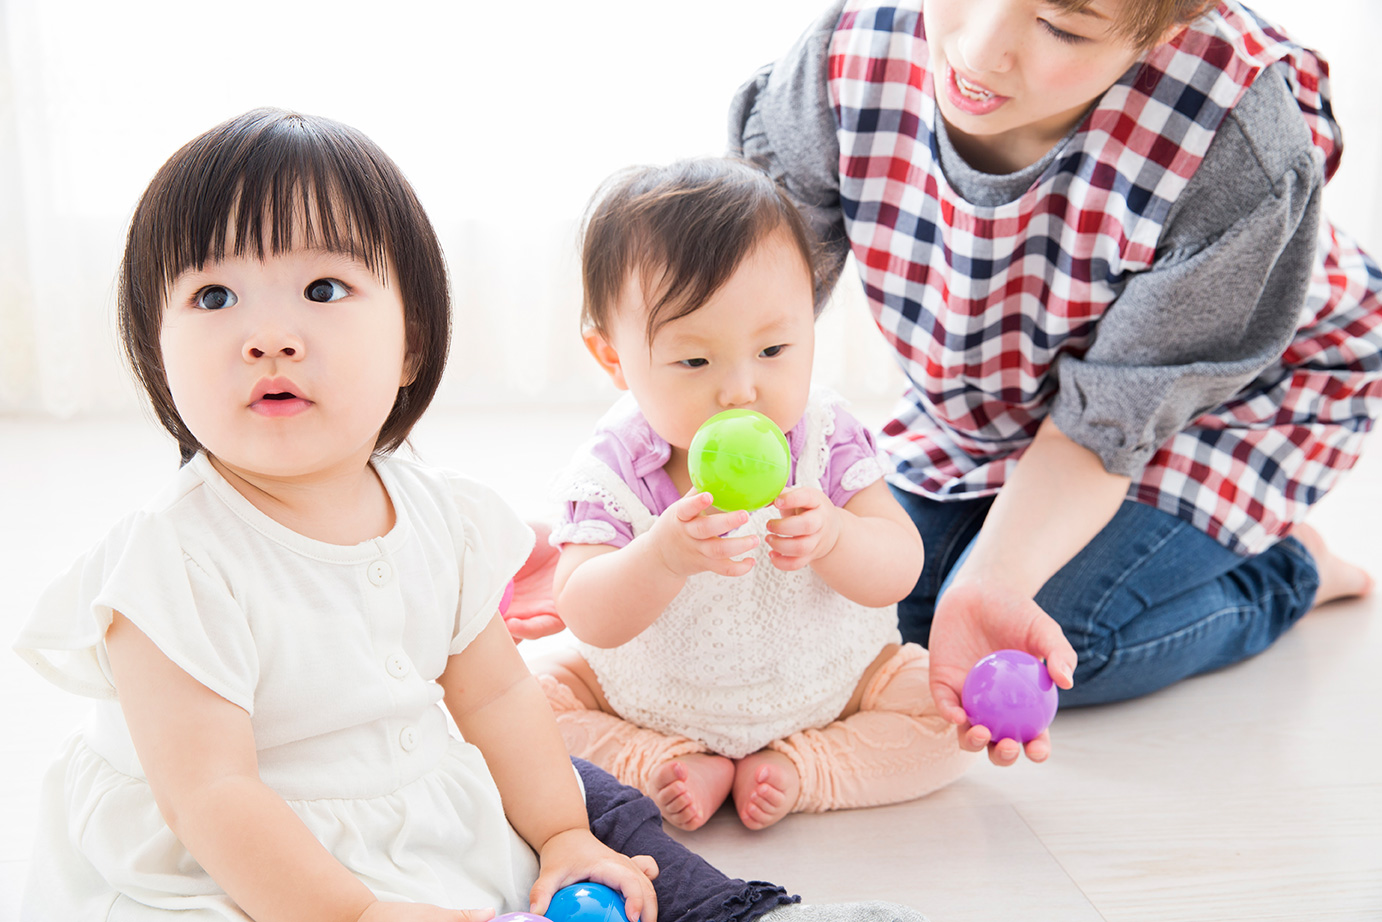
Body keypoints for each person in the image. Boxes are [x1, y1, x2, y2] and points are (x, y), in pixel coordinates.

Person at [11, 109, 926, 922]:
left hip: (411, 805)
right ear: (154, 349)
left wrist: (564, 836)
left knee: (601, 818)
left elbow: (493, 696)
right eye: (213, 297)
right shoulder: (170, 561)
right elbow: (210, 798)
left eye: (323, 291)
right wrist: (356, 913)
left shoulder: (434, 516)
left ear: (412, 342)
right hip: (238, 865)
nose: (270, 335)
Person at [726, 0, 1381, 766]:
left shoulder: (1231, 142)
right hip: (1007, 378)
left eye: (1063, 28)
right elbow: (749, 302)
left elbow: (1109, 421)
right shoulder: (851, 52)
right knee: (885, 610)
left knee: (1063, 639)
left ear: (1177, 21)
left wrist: (996, 577)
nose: (979, 51)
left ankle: (1288, 569)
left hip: (1217, 402)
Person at [533, 158, 972, 834]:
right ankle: (663, 762)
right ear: (613, 358)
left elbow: (898, 567)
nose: (741, 389)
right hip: (649, 699)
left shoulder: (825, 437)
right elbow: (584, 610)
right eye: (695, 361)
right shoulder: (613, 467)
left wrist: (836, 538)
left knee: (951, 710)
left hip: (832, 686)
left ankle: (806, 767)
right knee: (523, 708)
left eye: (773, 349)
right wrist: (661, 559)